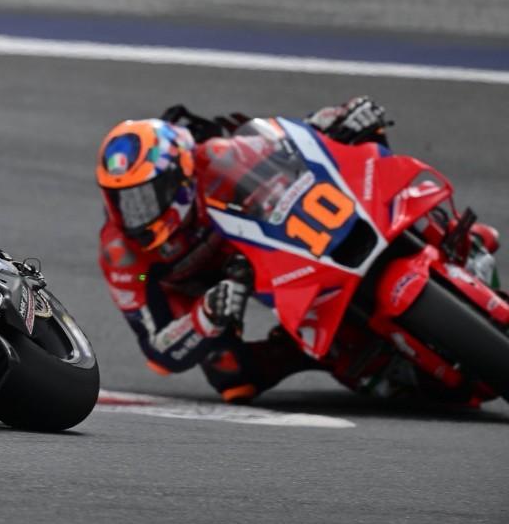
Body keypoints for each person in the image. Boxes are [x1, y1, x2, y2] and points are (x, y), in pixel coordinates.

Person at [96, 97, 500, 402]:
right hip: (226, 288)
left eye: (148, 196)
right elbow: (157, 348)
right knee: (232, 376)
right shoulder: (127, 256)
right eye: (124, 201)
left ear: (180, 177)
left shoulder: (214, 158)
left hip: (284, 241)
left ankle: (454, 239)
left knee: (369, 161)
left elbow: (286, 143)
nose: (136, 214)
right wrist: (206, 315)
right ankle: (327, 355)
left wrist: (337, 119)